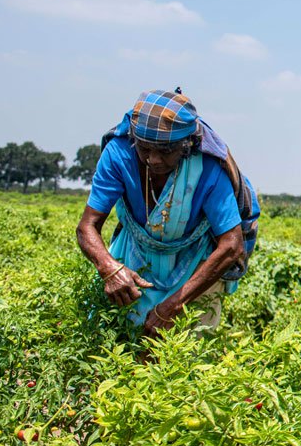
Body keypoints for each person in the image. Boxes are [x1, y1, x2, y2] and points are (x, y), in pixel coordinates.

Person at [75, 90, 259, 338]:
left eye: (165, 150)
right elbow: (87, 226)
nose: (153, 159)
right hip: (137, 252)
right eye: (145, 149)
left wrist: (172, 306)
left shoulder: (208, 166)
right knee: (118, 338)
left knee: (188, 349)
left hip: (197, 263)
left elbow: (231, 246)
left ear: (186, 146)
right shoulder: (119, 153)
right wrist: (109, 268)